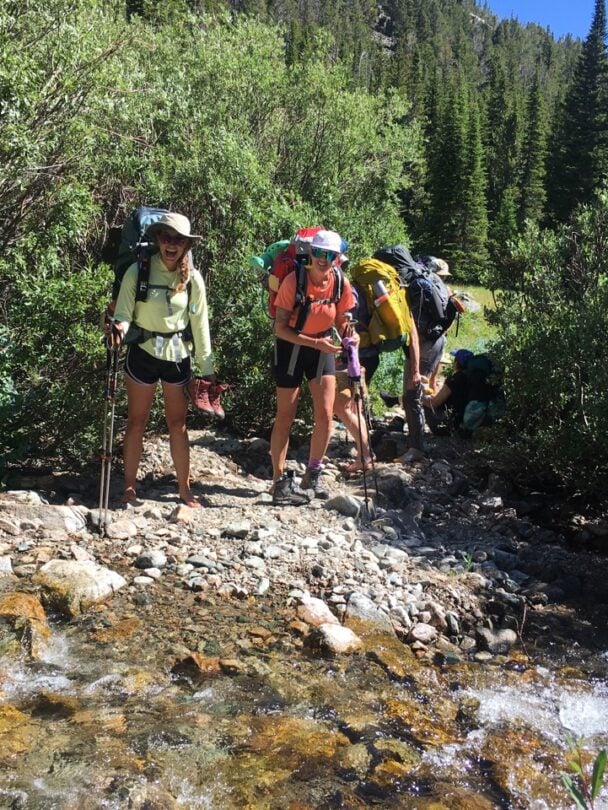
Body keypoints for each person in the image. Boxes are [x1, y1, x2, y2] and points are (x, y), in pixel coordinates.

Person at [110, 212, 214, 508]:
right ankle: (129, 487)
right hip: (143, 354)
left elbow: (201, 324)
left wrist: (207, 370)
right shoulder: (138, 271)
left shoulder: (193, 279)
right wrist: (118, 329)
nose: (171, 245)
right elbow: (124, 315)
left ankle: (184, 489)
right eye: (166, 238)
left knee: (177, 424)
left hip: (177, 357)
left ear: (186, 245)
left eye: (178, 240)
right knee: (136, 421)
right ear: (157, 239)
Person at [270, 229, 355, 505]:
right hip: (292, 349)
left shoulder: (340, 283)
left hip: (324, 348)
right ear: (310, 254)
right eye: (319, 253)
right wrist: (316, 344)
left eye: (329, 255)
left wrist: (350, 336)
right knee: (285, 415)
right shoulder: (294, 281)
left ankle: (313, 474)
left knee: (326, 415)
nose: (323, 259)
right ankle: (278, 481)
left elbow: (343, 319)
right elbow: (280, 328)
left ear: (337, 258)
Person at [422, 348, 474, 433]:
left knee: (420, 401)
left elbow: (434, 403)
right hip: (465, 424)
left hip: (448, 425)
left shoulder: (455, 379)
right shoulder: (472, 378)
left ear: (456, 363)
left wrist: (420, 399)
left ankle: (415, 431)